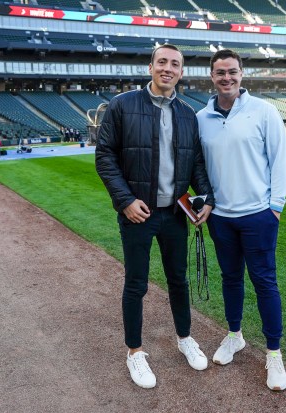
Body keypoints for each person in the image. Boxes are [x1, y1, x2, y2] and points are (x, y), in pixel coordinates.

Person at [95, 44, 215, 390]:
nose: (168, 68)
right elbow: (105, 157)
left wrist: (204, 199)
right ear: (150, 67)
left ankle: (184, 337)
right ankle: (134, 352)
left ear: (181, 71)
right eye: (161, 62)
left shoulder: (187, 114)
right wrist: (125, 200)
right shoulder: (122, 105)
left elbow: (195, 165)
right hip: (137, 213)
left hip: (174, 213)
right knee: (137, 283)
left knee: (178, 280)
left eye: (174, 64)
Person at [196, 49, 286, 391]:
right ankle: (234, 335)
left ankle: (274, 354)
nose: (227, 78)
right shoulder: (201, 117)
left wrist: (275, 207)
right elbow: (198, 168)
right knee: (231, 279)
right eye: (220, 72)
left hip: (258, 216)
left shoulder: (264, 111)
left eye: (232, 71)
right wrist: (202, 204)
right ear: (212, 76)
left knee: (265, 282)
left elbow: (281, 160)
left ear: (242, 74)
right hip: (221, 218)